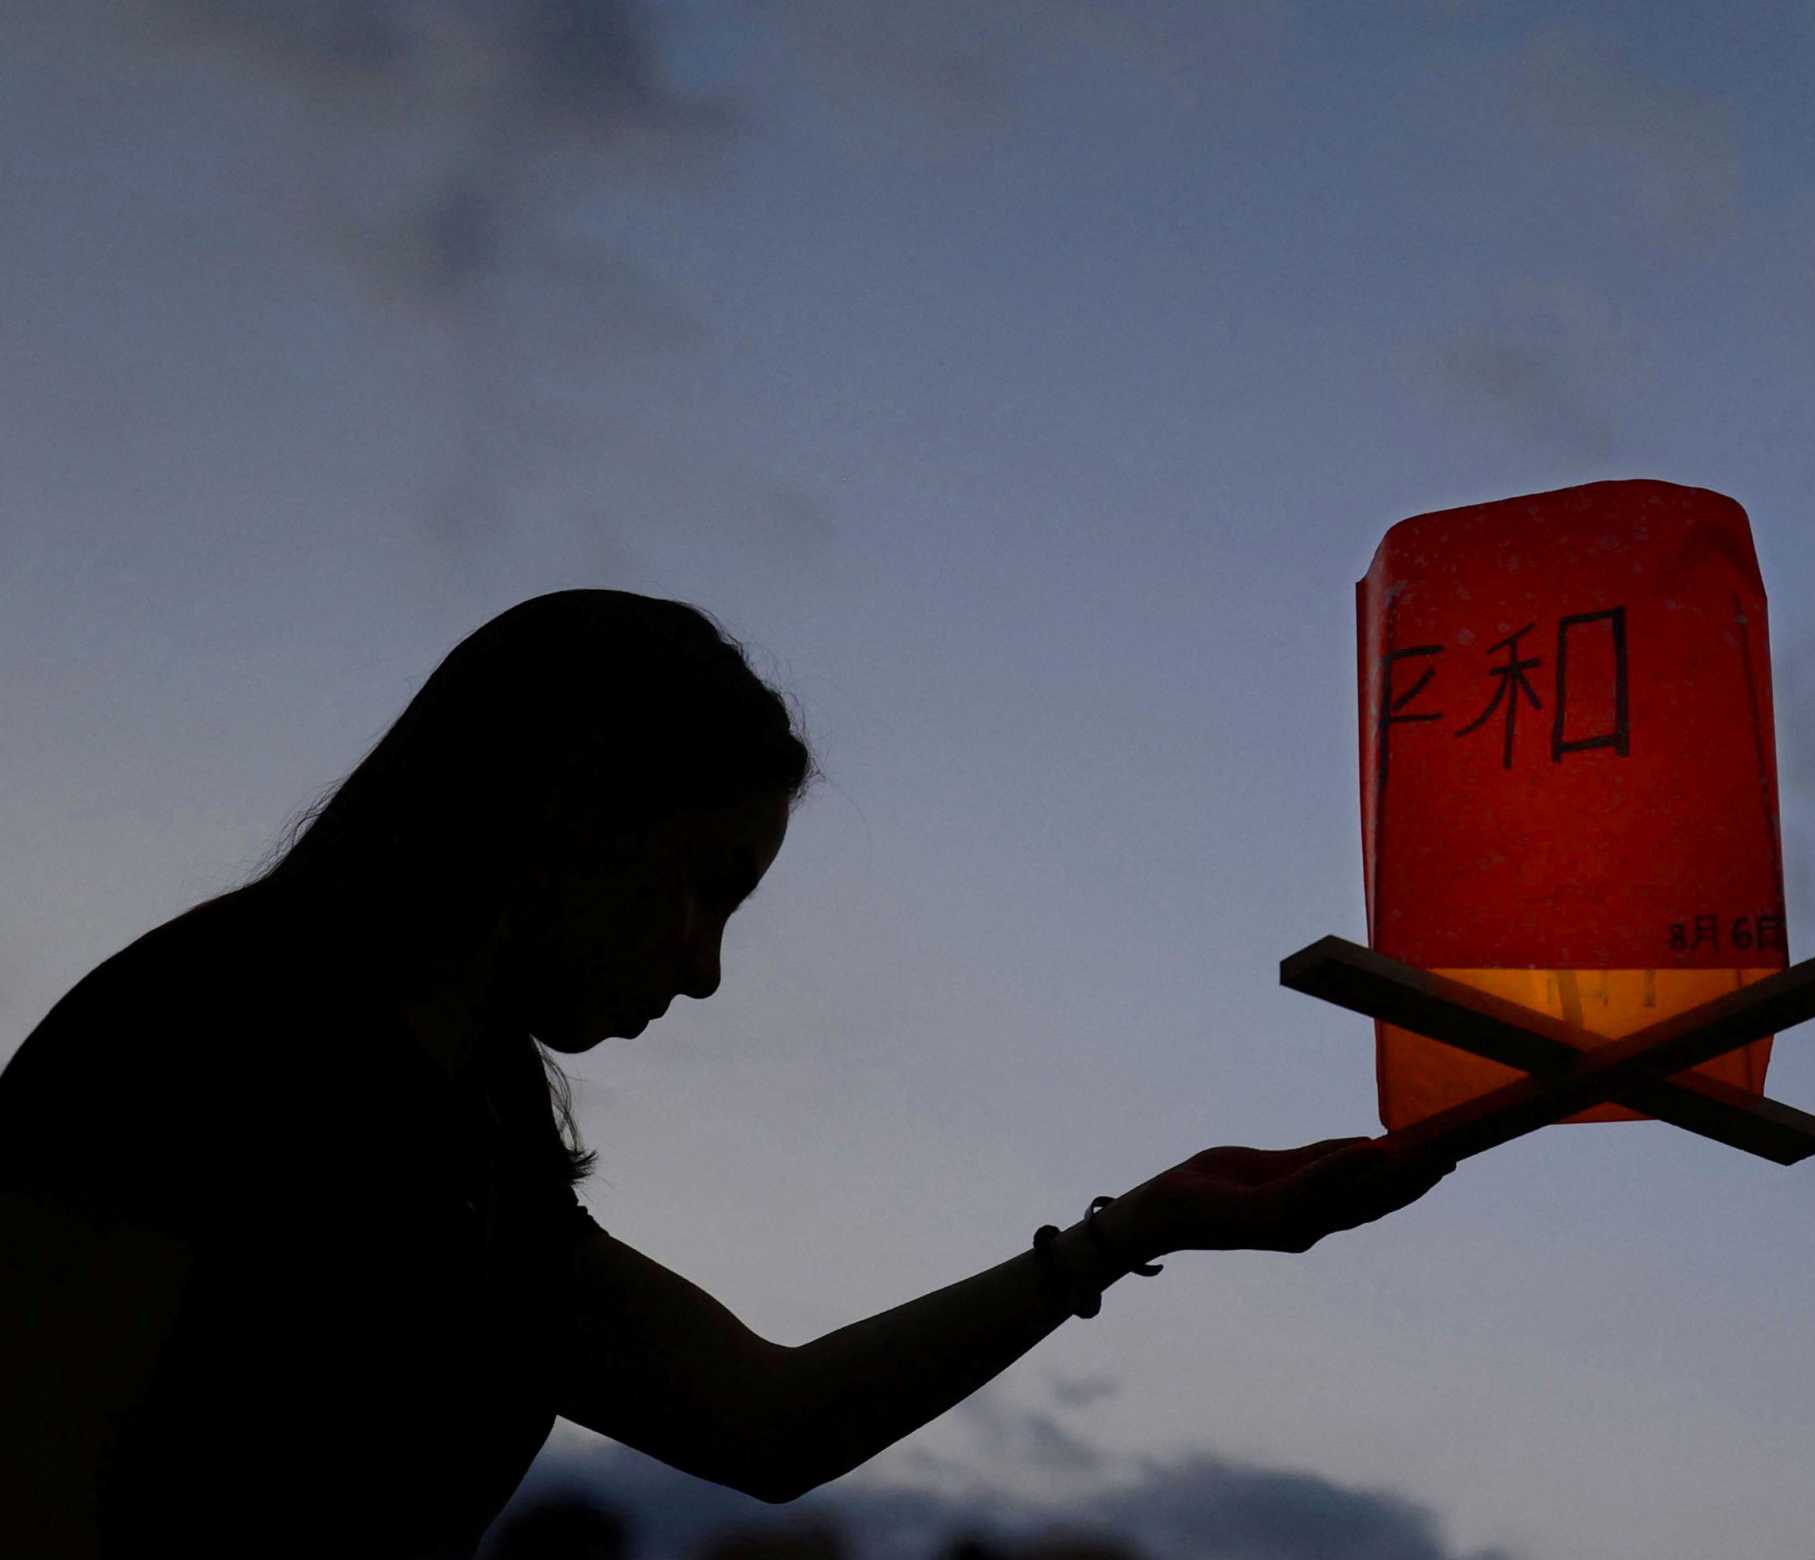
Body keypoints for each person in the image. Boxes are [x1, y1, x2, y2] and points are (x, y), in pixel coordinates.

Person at [0, 590, 1453, 1558]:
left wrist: (1142, 1228)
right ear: (570, 815)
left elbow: (766, 1421)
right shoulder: (202, 1035)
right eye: (705, 889)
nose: (701, 971)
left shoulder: (473, 1150)